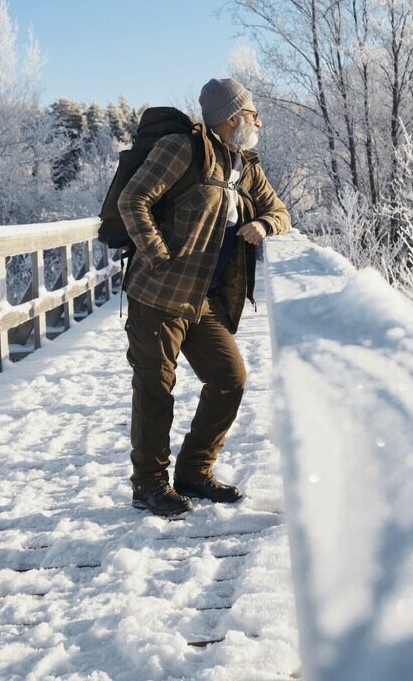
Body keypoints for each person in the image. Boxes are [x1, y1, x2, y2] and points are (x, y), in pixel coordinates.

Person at [118, 77, 290, 517]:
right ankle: (149, 485)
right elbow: (132, 199)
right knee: (156, 390)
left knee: (230, 378)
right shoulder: (183, 149)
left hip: (203, 302)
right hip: (157, 296)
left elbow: (280, 211)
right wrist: (158, 256)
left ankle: (194, 471)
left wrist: (264, 225)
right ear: (233, 117)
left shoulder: (244, 166)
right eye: (254, 114)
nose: (260, 121)